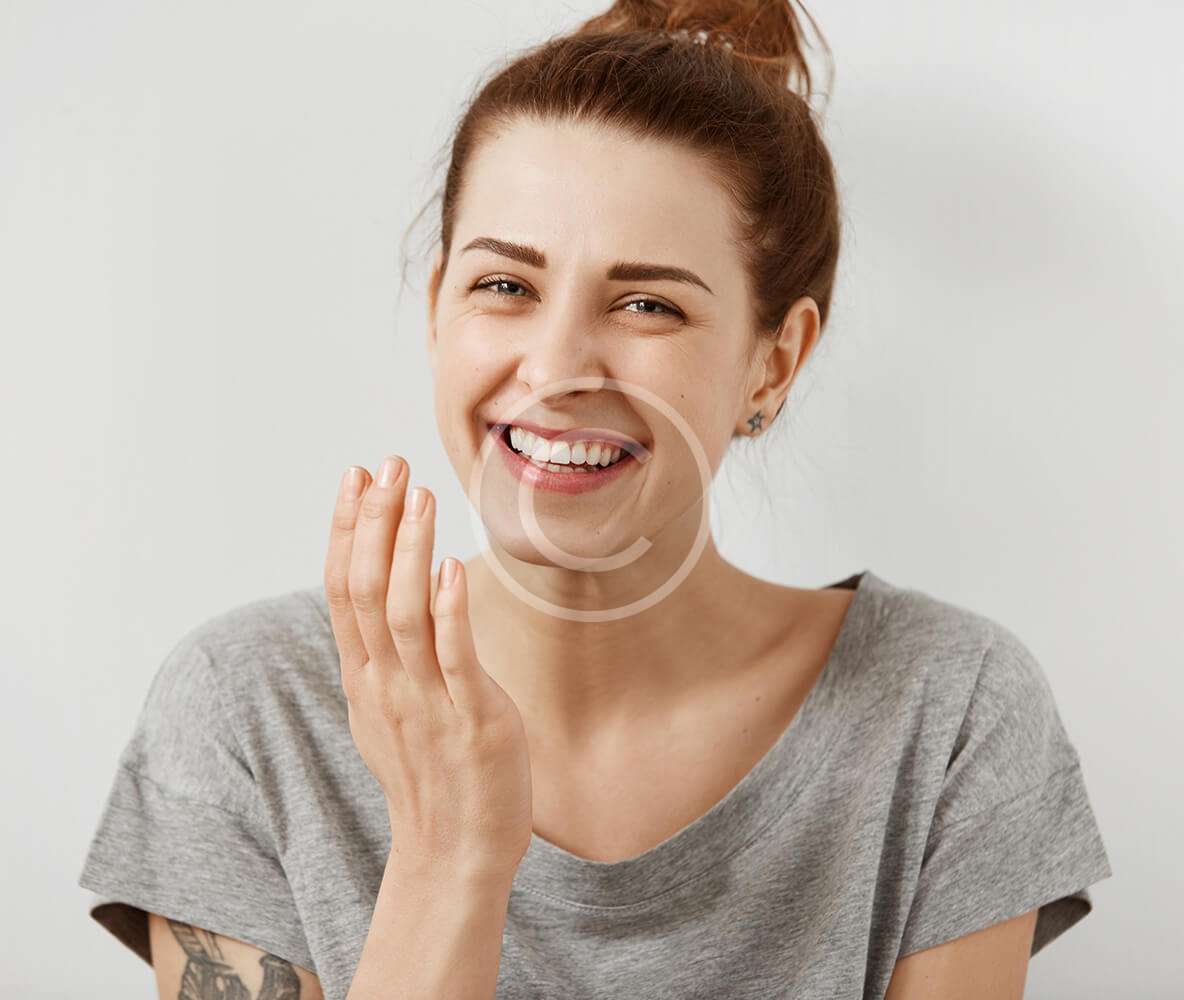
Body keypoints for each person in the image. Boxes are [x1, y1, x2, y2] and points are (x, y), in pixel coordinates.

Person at [77, 2, 1113, 998]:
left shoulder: (947, 712)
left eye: (646, 304)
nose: (557, 368)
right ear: (438, 307)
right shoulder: (248, 711)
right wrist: (448, 853)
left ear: (773, 362)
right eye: (505, 287)